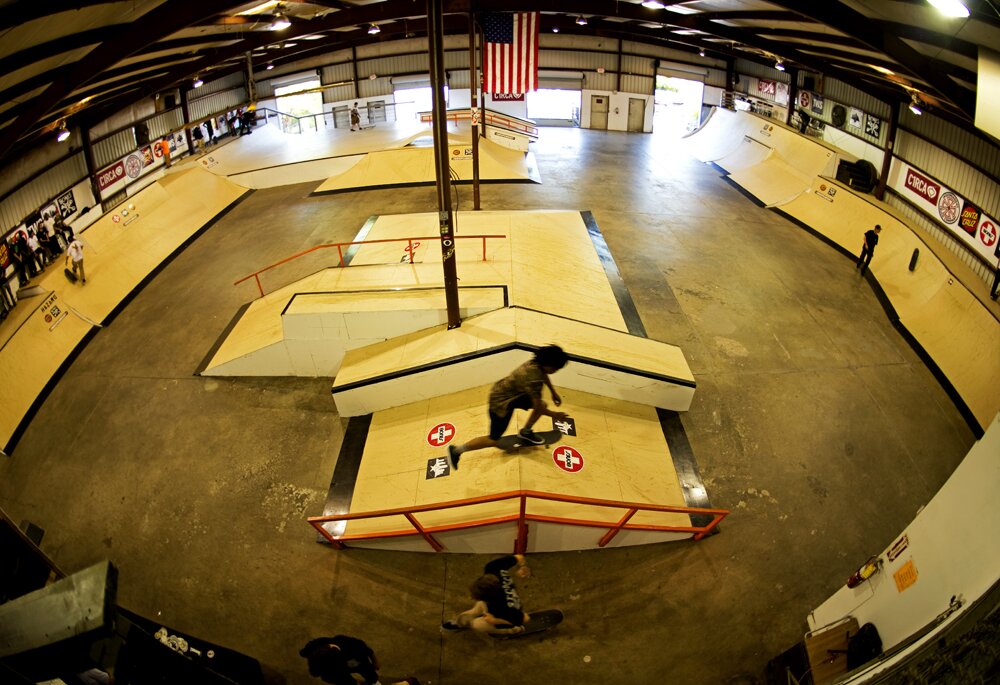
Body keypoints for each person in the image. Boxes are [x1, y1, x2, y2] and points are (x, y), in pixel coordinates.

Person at [446, 345, 568, 471]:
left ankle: (526, 433)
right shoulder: (533, 377)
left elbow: (544, 375)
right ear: (548, 364)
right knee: (493, 440)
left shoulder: (537, 364)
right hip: (501, 404)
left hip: (512, 395)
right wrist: (555, 415)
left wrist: (553, 392)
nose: (555, 371)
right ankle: (456, 451)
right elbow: (537, 407)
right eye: (555, 368)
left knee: (543, 405)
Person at [442, 554, 531, 635]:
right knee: (475, 610)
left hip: (507, 616)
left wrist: (495, 620)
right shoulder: (493, 568)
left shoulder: (503, 609)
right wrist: (523, 567)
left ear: (489, 600)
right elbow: (519, 557)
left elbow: (526, 618)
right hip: (498, 604)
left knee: (477, 624)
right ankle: (460, 623)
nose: (471, 598)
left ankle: (514, 630)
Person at [299, 635, 384, 685]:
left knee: (369, 673)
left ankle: (373, 682)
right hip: (337, 673)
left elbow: (365, 649)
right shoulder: (314, 648)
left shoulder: (352, 646)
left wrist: (375, 661)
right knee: (347, 682)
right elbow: (303, 653)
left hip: (357, 662)